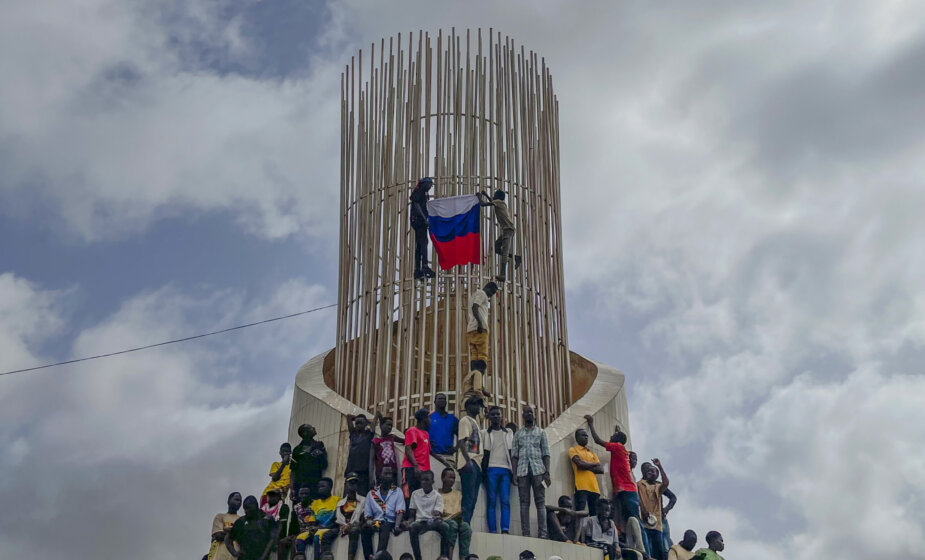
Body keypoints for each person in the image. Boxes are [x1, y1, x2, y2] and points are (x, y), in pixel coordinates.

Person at [583, 416, 642, 527]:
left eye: (613, 436)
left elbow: (597, 441)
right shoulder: (619, 448)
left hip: (627, 490)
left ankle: (642, 539)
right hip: (623, 490)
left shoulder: (618, 447)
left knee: (634, 519)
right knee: (626, 518)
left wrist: (591, 424)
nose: (610, 437)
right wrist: (617, 432)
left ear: (617, 440)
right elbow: (619, 439)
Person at [511, 405, 550, 538]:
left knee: (540, 502)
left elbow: (546, 454)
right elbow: (514, 455)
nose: (528, 414)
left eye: (531, 412)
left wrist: (547, 472)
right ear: (523, 416)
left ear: (534, 415)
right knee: (524, 503)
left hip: (538, 471)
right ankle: (526, 534)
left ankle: (542, 534)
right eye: (526, 412)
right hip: (522, 472)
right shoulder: (518, 434)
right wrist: (514, 473)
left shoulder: (541, 432)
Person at [481, 405, 514, 534]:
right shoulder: (485, 433)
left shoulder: (508, 433)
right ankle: (493, 530)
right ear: (489, 417)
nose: (496, 417)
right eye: (493, 414)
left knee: (505, 500)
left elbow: (512, 452)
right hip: (491, 470)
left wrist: (514, 472)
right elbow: (483, 454)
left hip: (505, 470)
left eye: (498, 414)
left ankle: (505, 529)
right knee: (492, 501)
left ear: (502, 416)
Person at [476, 189, 521, 282]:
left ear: (498, 197)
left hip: (508, 229)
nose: (493, 196)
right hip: (507, 230)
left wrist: (479, 197)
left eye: (495, 194)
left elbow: (483, 204)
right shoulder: (500, 203)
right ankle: (516, 257)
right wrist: (486, 195)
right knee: (496, 248)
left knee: (505, 251)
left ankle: (503, 275)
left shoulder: (498, 202)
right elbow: (492, 201)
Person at [465, 282, 498, 398]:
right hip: (480, 329)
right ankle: (478, 387)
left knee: (475, 357)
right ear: (488, 288)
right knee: (482, 358)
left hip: (471, 329)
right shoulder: (482, 294)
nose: (491, 295)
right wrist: (479, 323)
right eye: (492, 292)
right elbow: (475, 307)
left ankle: (475, 385)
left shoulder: (474, 295)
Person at [362, 466, 406, 553]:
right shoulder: (372, 493)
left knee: (385, 526)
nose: (388, 476)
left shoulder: (397, 491)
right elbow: (368, 515)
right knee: (365, 528)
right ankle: (369, 556)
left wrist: (397, 526)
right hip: (377, 522)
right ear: (380, 475)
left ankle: (379, 555)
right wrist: (371, 523)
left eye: (390, 474)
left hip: (391, 522)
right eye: (386, 473)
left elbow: (400, 511)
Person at [295, 478, 340, 560]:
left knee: (318, 535)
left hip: (331, 527)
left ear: (330, 487)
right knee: (300, 537)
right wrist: (312, 528)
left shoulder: (337, 500)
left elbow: (337, 519)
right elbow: (313, 520)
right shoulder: (315, 503)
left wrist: (321, 528)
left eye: (322, 486)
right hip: (318, 528)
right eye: (319, 487)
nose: (320, 489)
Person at [456, 395, 484, 524]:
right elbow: (462, 441)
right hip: (470, 462)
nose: (478, 407)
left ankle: (466, 524)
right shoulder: (465, 420)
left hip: (477, 463)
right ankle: (464, 524)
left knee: (473, 498)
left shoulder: (475, 422)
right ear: (468, 407)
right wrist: (468, 461)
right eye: (475, 404)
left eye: (479, 405)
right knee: (468, 496)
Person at [407, 470, 445, 560]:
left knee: (445, 526)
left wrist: (437, 516)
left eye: (427, 480)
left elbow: (438, 513)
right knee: (412, 527)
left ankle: (443, 556)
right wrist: (408, 522)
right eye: (422, 480)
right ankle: (418, 558)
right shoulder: (415, 494)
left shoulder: (437, 496)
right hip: (419, 522)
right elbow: (412, 514)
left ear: (432, 481)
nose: (424, 482)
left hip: (433, 522)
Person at [226, 495, 277, 560]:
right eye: (245, 509)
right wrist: (235, 553)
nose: (246, 511)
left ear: (256, 507)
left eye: (249, 508)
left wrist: (264, 556)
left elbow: (273, 539)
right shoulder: (241, 522)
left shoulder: (267, 519)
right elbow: (228, 538)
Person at [638, 459, 670, 560]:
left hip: (657, 524)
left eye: (653, 471)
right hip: (644, 522)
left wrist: (660, 466)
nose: (650, 473)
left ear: (657, 475)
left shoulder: (658, 486)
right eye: (648, 471)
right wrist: (643, 511)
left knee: (659, 551)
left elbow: (666, 483)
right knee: (647, 550)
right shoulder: (639, 484)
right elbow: (637, 499)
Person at [438, 467, 471, 559]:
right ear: (443, 478)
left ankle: (464, 557)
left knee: (466, 527)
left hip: (456, 519)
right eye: (450, 477)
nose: (452, 480)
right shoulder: (436, 494)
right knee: (453, 525)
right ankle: (449, 557)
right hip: (443, 520)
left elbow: (459, 511)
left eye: (453, 478)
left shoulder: (458, 494)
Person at [569, 428, 604, 515]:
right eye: (583, 435)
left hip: (595, 488)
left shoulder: (592, 453)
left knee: (594, 515)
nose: (586, 437)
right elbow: (579, 464)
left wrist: (585, 465)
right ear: (577, 437)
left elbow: (601, 469)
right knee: (580, 514)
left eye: (587, 436)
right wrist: (594, 464)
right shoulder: (573, 450)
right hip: (581, 487)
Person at [291, 424, 328, 501]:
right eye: (311, 428)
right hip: (300, 487)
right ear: (305, 433)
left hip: (314, 485)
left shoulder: (319, 445)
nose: (314, 428)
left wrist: (321, 454)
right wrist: (292, 488)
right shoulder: (297, 450)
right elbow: (293, 470)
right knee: (300, 507)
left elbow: (325, 465)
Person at [410, 177, 436, 280]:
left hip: (417, 221)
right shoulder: (419, 191)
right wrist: (424, 218)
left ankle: (417, 269)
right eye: (429, 185)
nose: (430, 187)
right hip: (419, 221)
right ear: (425, 184)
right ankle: (424, 266)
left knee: (419, 245)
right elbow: (416, 205)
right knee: (424, 242)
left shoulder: (421, 192)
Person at [336, 473, 366, 560]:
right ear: (345, 485)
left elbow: (363, 518)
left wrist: (350, 525)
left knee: (354, 530)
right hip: (343, 528)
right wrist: (344, 526)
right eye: (351, 483)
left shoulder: (363, 500)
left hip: (356, 527)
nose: (353, 485)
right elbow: (339, 520)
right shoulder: (340, 503)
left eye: (355, 483)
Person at [403, 408, 432, 494]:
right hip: (411, 469)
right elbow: (408, 449)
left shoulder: (426, 434)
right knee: (408, 494)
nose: (430, 420)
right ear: (424, 419)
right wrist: (416, 466)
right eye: (429, 417)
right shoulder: (412, 430)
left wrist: (443, 460)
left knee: (420, 495)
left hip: (424, 471)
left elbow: (429, 451)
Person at [344, 413, 375, 495]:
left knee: (362, 495)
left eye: (361, 423)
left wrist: (367, 421)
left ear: (365, 424)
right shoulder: (353, 434)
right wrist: (358, 418)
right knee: (348, 495)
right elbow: (348, 416)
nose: (358, 425)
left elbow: (375, 421)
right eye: (357, 423)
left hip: (363, 471)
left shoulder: (369, 434)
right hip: (351, 469)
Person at [208, 492, 242, 560]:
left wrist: (227, 530)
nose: (239, 502)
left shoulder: (241, 520)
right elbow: (218, 535)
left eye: (240, 501)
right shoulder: (220, 517)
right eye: (236, 499)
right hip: (220, 556)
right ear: (229, 501)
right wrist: (236, 533)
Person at [372, 412, 405, 481]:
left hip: (393, 471)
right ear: (381, 425)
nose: (389, 427)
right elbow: (374, 459)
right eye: (387, 425)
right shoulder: (376, 441)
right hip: (381, 472)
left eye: (391, 425)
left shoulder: (392, 437)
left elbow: (405, 441)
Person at [429, 393, 459, 461]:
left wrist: (456, 448)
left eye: (444, 399)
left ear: (446, 402)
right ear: (434, 402)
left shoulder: (452, 419)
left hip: (448, 456)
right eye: (440, 399)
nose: (442, 400)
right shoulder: (429, 418)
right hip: (432, 456)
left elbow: (462, 436)